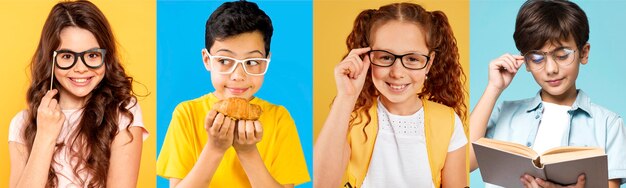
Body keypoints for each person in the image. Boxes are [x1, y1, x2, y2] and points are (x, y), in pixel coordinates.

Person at [469, 0, 626, 187]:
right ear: (526, 62)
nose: (551, 69)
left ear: (584, 53)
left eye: (562, 55)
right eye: (536, 58)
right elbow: (465, 162)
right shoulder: (505, 113)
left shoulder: (609, 124)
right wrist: (494, 88)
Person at [156, 1, 310, 187]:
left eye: (252, 62)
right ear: (207, 60)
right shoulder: (186, 114)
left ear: (265, 62)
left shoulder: (279, 119)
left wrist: (248, 152)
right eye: (224, 60)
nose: (238, 75)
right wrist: (214, 148)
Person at [314, 2, 468, 187]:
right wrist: (346, 97)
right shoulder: (351, 117)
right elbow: (321, 184)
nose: (397, 72)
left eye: (412, 59)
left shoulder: (448, 122)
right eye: (385, 57)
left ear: (429, 62)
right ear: (367, 57)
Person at [8, 1, 148, 187]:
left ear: (106, 58)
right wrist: (45, 136)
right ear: (51, 60)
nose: (81, 68)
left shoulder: (123, 113)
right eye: (67, 56)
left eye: (92, 55)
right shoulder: (22, 123)